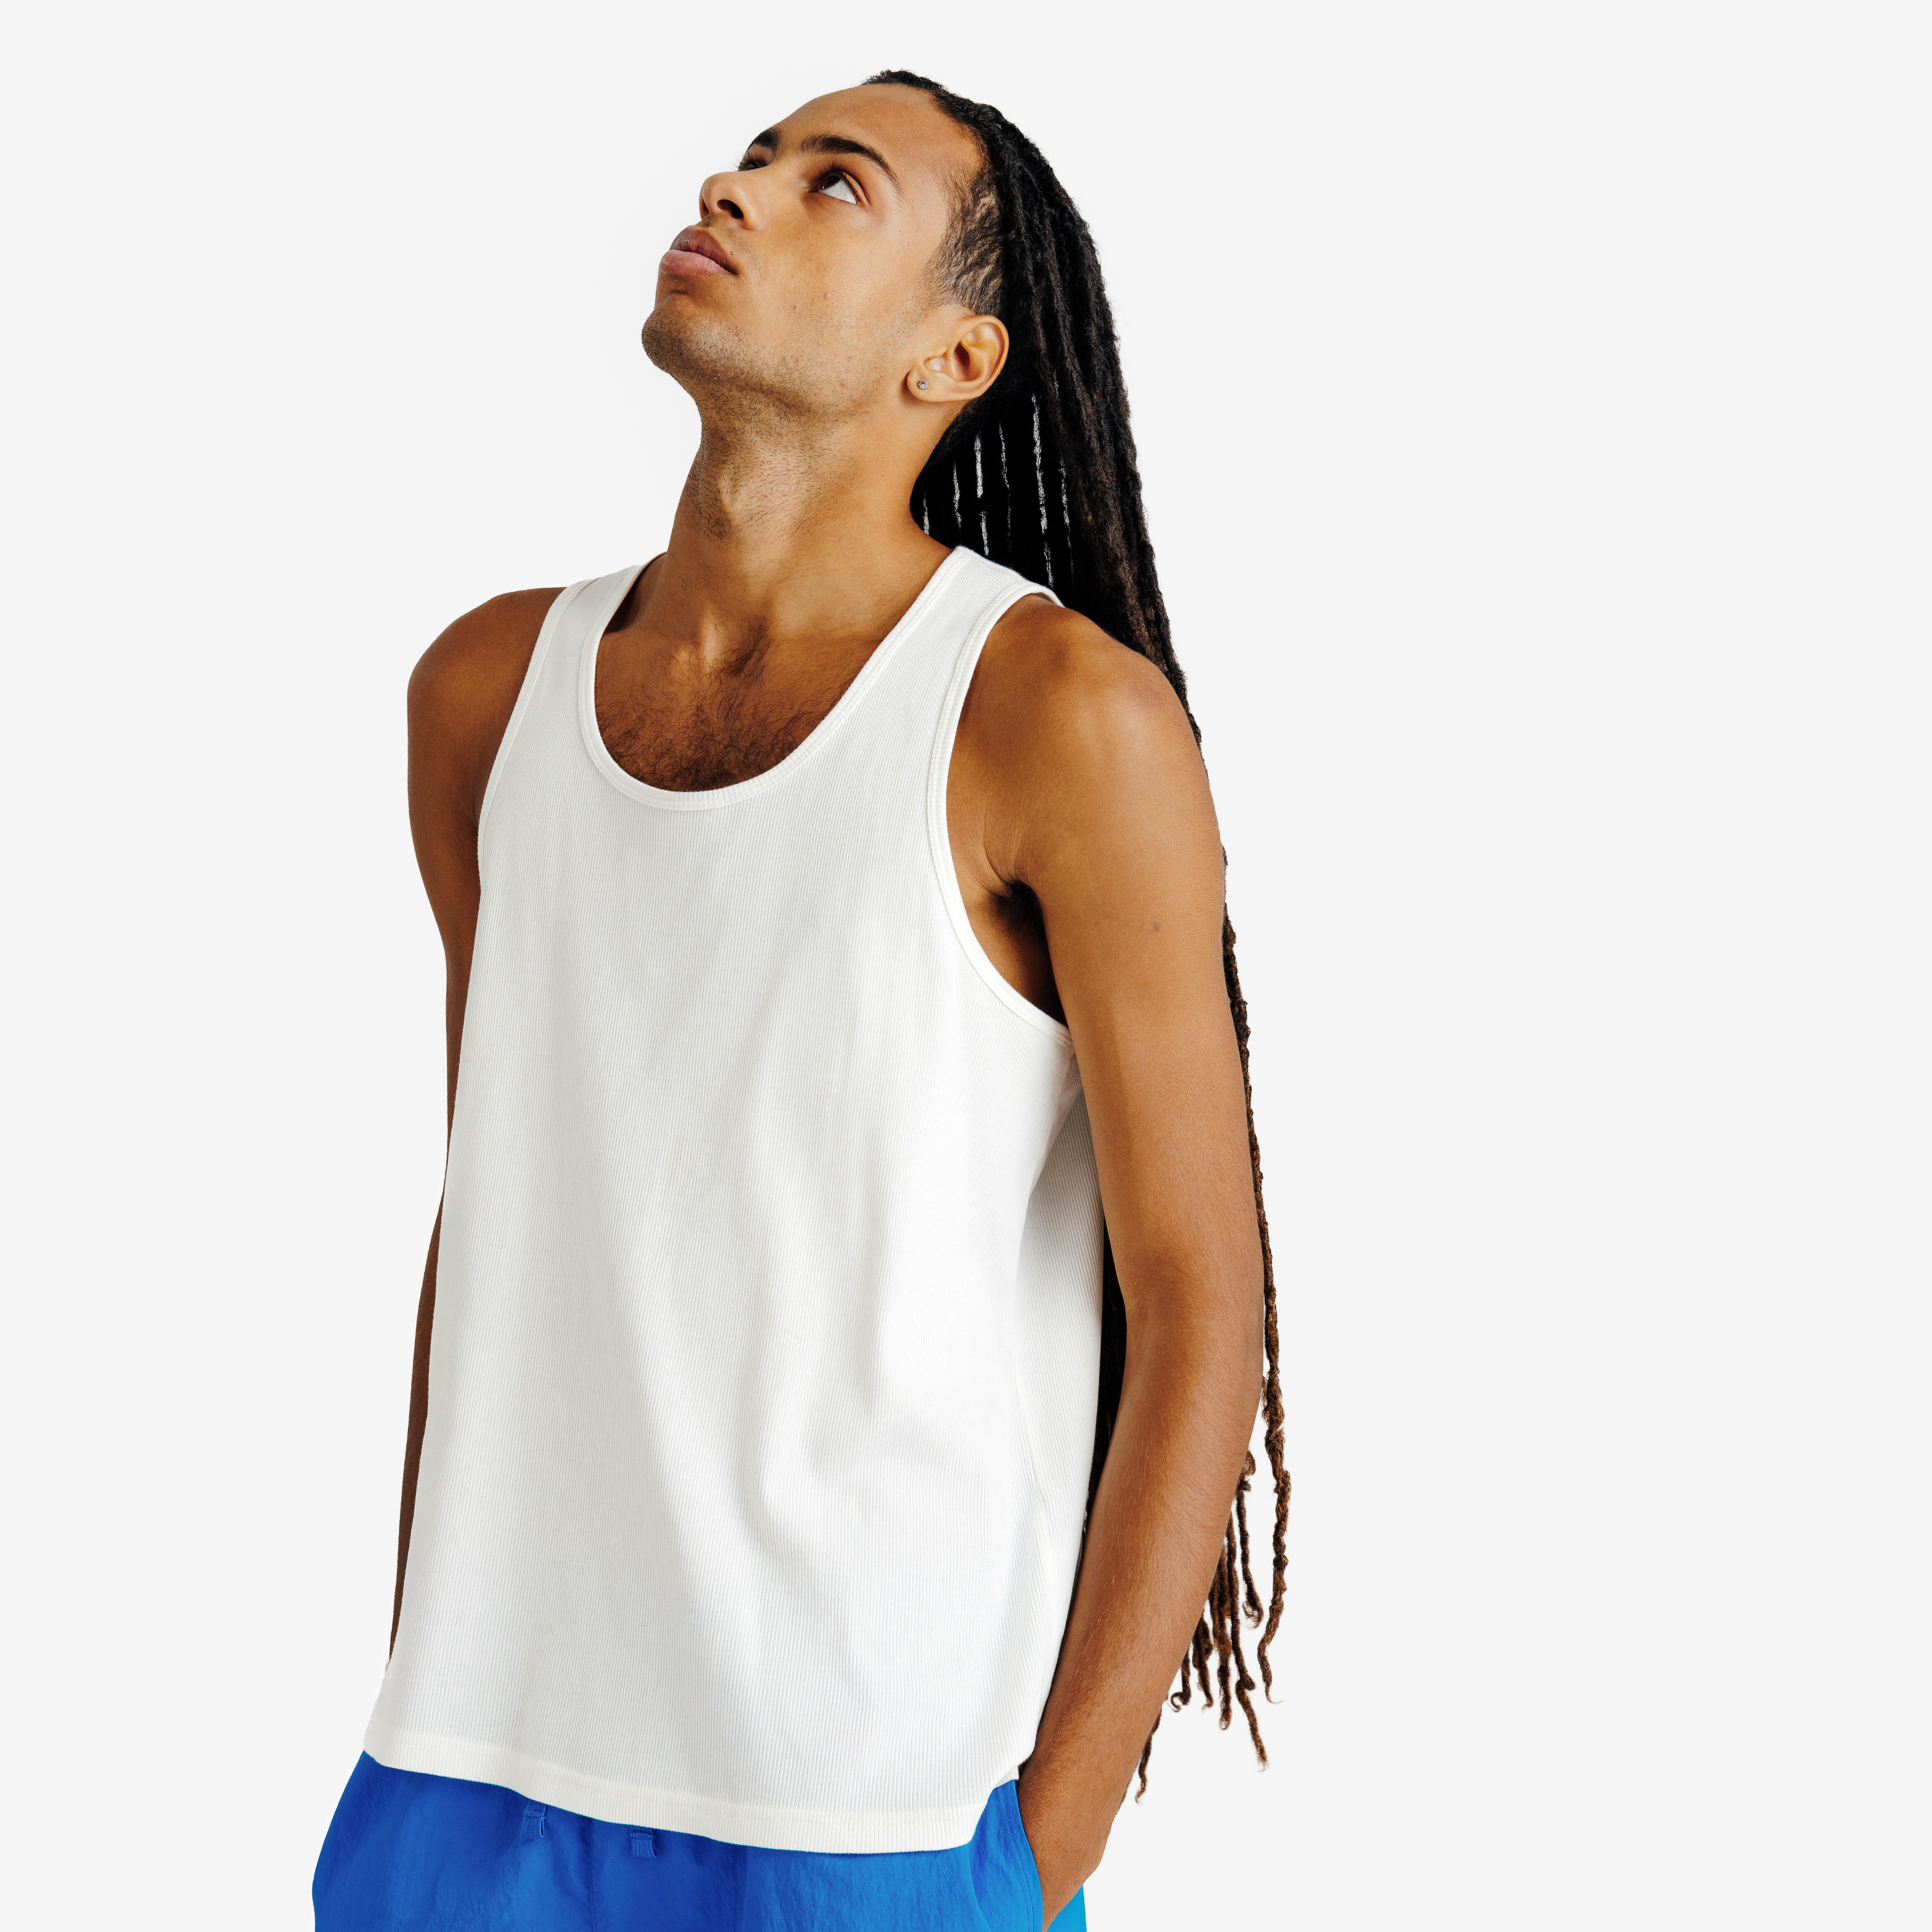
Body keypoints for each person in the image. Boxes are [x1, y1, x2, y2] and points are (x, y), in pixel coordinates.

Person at [314, 71, 1287, 1932]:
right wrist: (422, 1676)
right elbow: (501, 1204)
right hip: (461, 1794)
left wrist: (1037, 1854)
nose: (734, 186)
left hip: (867, 1823)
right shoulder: (482, 694)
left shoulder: (1057, 721)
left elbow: (1198, 1298)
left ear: (955, 356)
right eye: (755, 155)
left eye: (835, 184)